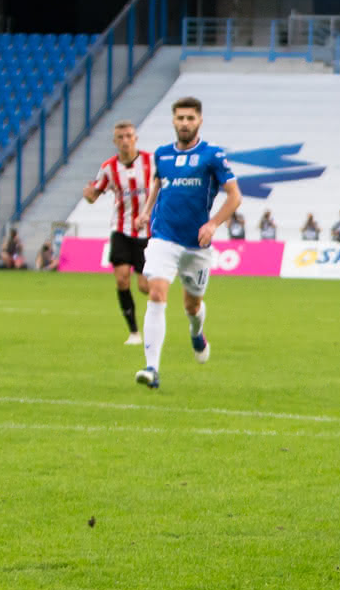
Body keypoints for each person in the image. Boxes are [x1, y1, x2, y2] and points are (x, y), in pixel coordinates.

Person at [133, 97, 243, 390]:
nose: (184, 123)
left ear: (199, 121)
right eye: (180, 118)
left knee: (192, 306)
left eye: (190, 118)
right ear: (173, 121)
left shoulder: (212, 156)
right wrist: (145, 212)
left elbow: (235, 196)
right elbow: (158, 183)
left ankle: (197, 332)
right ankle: (151, 369)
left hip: (197, 244)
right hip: (163, 237)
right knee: (156, 293)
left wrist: (213, 223)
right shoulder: (162, 155)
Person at [83, 119, 154, 346]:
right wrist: (88, 195)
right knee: (122, 279)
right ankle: (134, 332)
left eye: (129, 136)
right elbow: (94, 195)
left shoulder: (151, 162)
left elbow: (165, 186)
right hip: (121, 229)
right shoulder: (108, 168)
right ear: (115, 141)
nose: (125, 141)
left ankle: (155, 316)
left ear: (136, 138)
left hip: (147, 233)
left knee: (145, 287)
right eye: (120, 138)